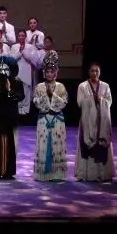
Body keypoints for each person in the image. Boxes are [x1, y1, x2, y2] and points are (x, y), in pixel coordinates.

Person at [32, 51, 69, 181]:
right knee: (43, 145)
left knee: (56, 144)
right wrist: (46, 95)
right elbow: (36, 102)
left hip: (57, 119)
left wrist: (52, 95)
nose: (49, 74)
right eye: (47, 71)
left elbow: (64, 102)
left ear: (55, 73)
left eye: (51, 71)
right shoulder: (39, 87)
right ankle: (43, 174)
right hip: (44, 119)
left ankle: (56, 174)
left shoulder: (61, 87)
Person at [76, 62, 115, 182]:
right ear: (89, 72)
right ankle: (86, 174)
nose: (94, 73)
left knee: (102, 145)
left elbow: (109, 102)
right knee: (86, 144)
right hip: (87, 121)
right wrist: (91, 100)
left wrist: (101, 100)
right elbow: (80, 102)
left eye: (97, 71)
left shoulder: (105, 86)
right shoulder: (82, 86)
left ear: (100, 72)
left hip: (102, 121)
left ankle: (103, 174)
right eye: (92, 71)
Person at [0, 59, 24, 180]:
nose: (3, 71)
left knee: (12, 144)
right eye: (1, 69)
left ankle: (9, 171)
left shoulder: (17, 82)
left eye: (6, 69)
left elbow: (20, 96)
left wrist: (9, 91)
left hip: (11, 117)